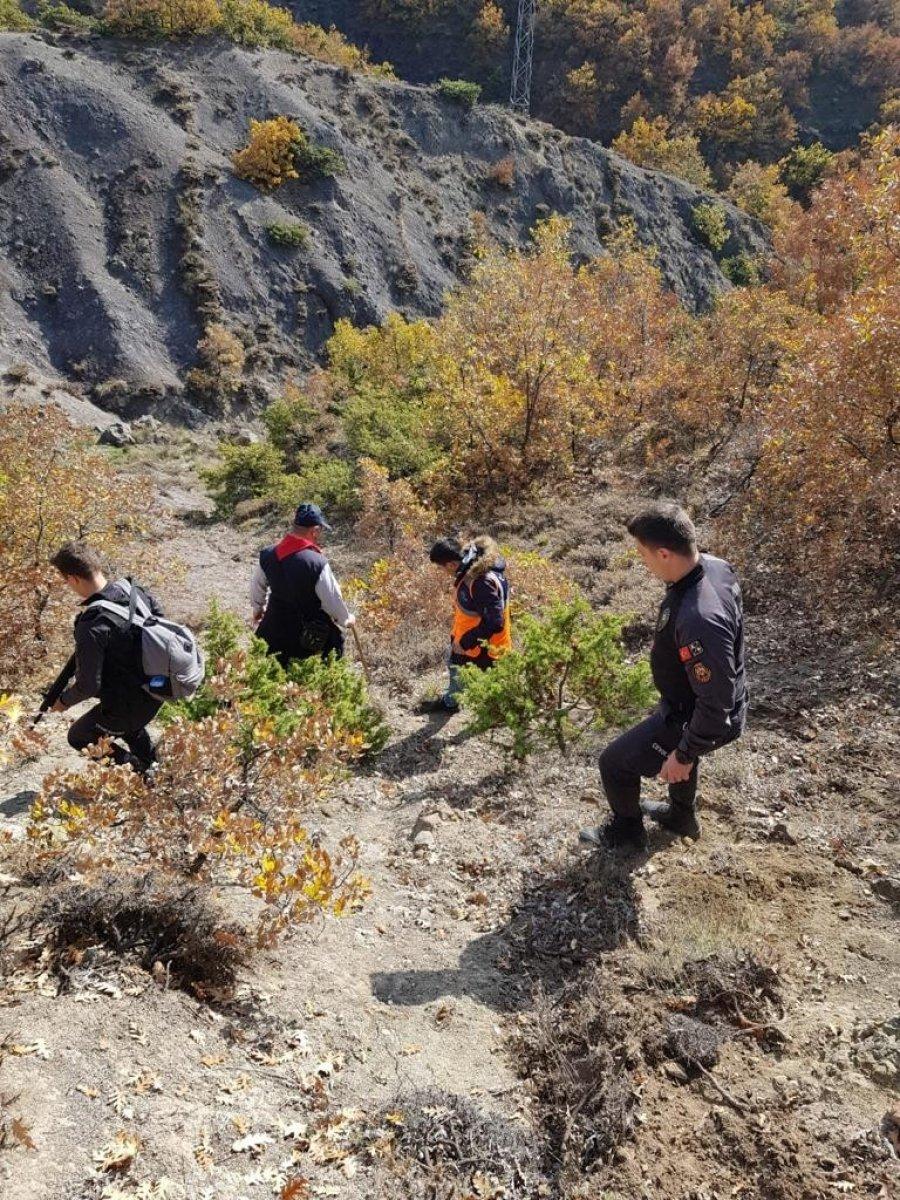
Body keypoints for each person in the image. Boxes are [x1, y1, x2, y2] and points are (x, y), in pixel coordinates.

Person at [580, 502, 747, 851]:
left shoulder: (700, 617)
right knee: (680, 740)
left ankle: (627, 835)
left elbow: (714, 703)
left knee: (614, 763)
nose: (643, 563)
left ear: (665, 554)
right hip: (697, 705)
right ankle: (680, 816)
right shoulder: (716, 567)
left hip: (704, 713)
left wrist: (683, 754)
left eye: (644, 555)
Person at [49, 541, 163, 773]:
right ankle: (155, 766)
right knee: (125, 722)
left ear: (73, 579)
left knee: (79, 736)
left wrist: (63, 702)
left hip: (128, 704)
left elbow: (88, 686)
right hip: (156, 691)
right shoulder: (135, 591)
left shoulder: (92, 624)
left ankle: (139, 772)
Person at [250, 502, 354, 666]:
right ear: (315, 530)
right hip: (308, 635)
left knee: (268, 664)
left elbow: (257, 586)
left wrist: (258, 609)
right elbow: (332, 599)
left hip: (274, 627)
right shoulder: (317, 563)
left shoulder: (268, 554)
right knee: (335, 648)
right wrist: (346, 619)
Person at [427, 535, 512, 712]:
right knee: (455, 667)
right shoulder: (473, 571)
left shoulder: (481, 582)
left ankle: (488, 712)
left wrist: (465, 642)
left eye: (441, 567)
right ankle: (451, 702)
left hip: (484, 649)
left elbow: (495, 622)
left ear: (451, 564)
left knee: (491, 695)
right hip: (473, 644)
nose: (442, 571)